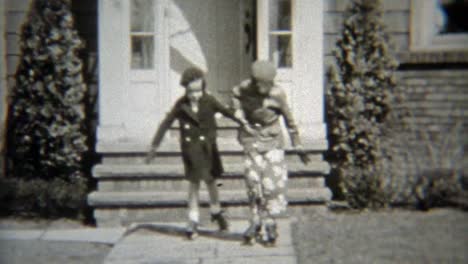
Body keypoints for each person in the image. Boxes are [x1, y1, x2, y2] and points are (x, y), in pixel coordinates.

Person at [146, 67, 250, 239]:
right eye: (191, 91)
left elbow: (226, 112)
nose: (195, 95)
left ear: (203, 88)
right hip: (191, 149)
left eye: (198, 90)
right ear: (185, 89)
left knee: (212, 182)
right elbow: (166, 123)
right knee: (194, 184)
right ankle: (193, 220)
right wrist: (154, 146)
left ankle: (216, 211)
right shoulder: (181, 105)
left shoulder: (209, 100)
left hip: (208, 148)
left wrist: (242, 122)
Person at [232, 60, 310, 246]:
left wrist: (297, 145)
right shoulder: (243, 89)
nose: (262, 88)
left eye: (266, 84)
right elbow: (235, 98)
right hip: (251, 139)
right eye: (259, 84)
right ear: (253, 80)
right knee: (253, 181)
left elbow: (290, 121)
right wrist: (238, 114)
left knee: (270, 185)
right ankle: (254, 221)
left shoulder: (277, 94)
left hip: (272, 141)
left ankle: (269, 223)